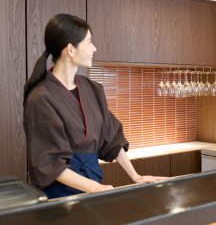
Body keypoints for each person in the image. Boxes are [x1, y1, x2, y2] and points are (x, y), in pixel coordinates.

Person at [23, 14, 167, 199]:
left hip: (93, 188)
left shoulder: (92, 89)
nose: (94, 48)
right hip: (59, 196)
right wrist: (93, 188)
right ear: (70, 50)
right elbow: (49, 162)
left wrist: (136, 176)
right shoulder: (40, 98)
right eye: (89, 42)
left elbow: (111, 137)